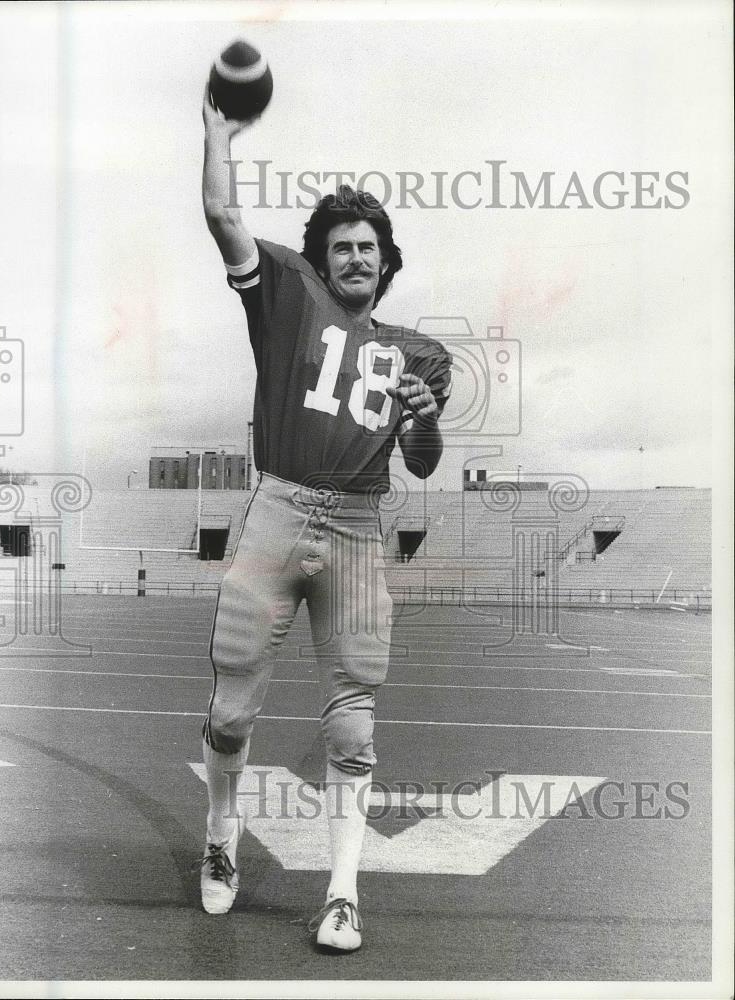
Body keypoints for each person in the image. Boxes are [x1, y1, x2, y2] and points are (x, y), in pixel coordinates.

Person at [197, 82, 452, 952]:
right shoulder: (283, 298)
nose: (354, 258)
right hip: (276, 509)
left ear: (387, 262)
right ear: (320, 258)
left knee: (352, 718)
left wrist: (422, 415)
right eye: (340, 246)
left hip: (354, 526)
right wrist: (218, 134)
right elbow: (220, 212)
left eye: (367, 247)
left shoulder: (419, 353)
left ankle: (343, 891)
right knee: (232, 710)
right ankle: (222, 831)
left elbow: (420, 462)